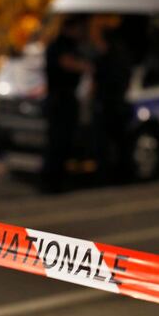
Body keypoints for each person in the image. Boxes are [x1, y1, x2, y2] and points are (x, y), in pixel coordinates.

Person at [41, 16, 92, 193]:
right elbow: (67, 63)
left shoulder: (68, 45)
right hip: (60, 100)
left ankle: (57, 180)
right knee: (57, 142)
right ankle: (51, 182)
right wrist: (85, 66)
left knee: (63, 142)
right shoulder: (59, 46)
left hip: (64, 100)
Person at [89, 16, 132, 183]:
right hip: (119, 102)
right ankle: (123, 173)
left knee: (104, 143)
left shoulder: (104, 57)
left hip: (107, 103)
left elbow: (96, 82)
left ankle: (106, 176)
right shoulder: (122, 52)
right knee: (121, 141)